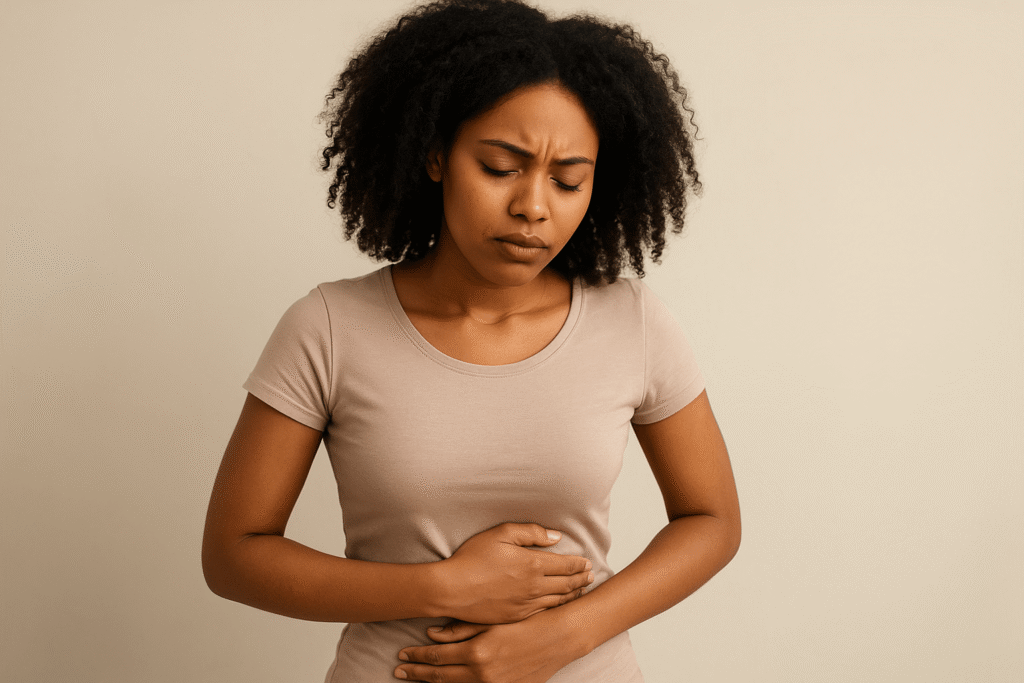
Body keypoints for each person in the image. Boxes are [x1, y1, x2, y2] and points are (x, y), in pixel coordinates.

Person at [201, 0, 741, 681]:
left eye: (569, 179)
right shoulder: (329, 327)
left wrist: (564, 635)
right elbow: (233, 553)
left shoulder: (631, 321)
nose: (534, 207)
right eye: (499, 167)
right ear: (434, 154)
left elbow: (712, 518)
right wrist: (443, 587)